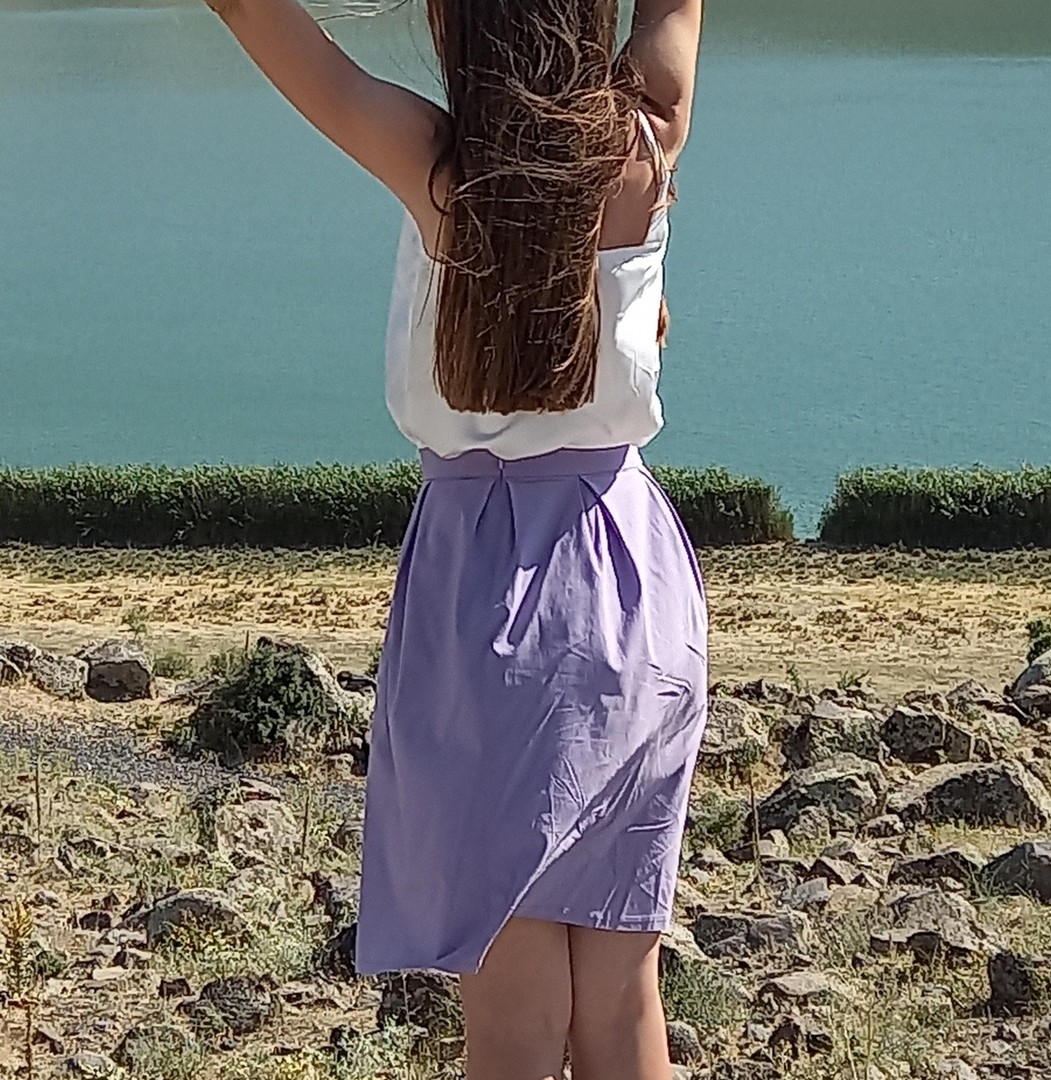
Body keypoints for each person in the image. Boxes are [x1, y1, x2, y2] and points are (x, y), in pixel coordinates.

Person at [204, 0, 706, 1077]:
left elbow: (255, 14)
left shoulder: (437, 164)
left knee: (514, 1016)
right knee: (622, 1000)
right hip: (632, 589)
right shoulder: (644, 139)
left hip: (485, 600)